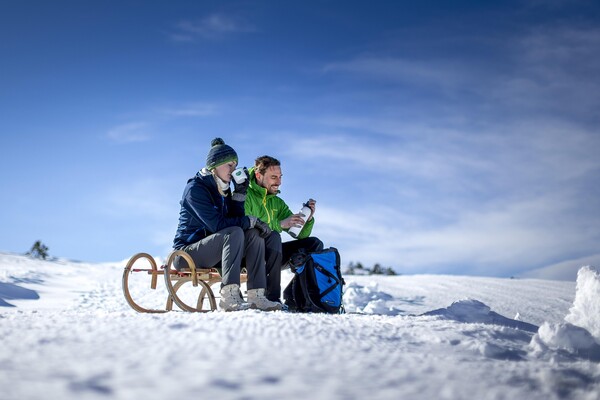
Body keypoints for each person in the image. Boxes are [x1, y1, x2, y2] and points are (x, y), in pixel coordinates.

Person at [172, 138, 283, 311]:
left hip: (215, 249)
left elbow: (234, 220)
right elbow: (218, 226)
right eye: (229, 165)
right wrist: (249, 220)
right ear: (214, 166)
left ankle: (257, 295)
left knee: (253, 234)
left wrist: (240, 194)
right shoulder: (195, 189)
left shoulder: (223, 189)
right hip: (186, 254)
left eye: (235, 165)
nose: (233, 169)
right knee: (235, 232)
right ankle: (229, 296)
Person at [244, 155, 324, 303]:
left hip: (271, 254)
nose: (279, 182)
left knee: (313, 245)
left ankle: (295, 296)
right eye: (274, 177)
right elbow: (246, 226)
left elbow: (300, 235)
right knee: (274, 236)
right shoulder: (245, 194)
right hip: (248, 254)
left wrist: (308, 218)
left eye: (280, 177)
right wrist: (279, 224)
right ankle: (271, 297)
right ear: (258, 175)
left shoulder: (277, 203)